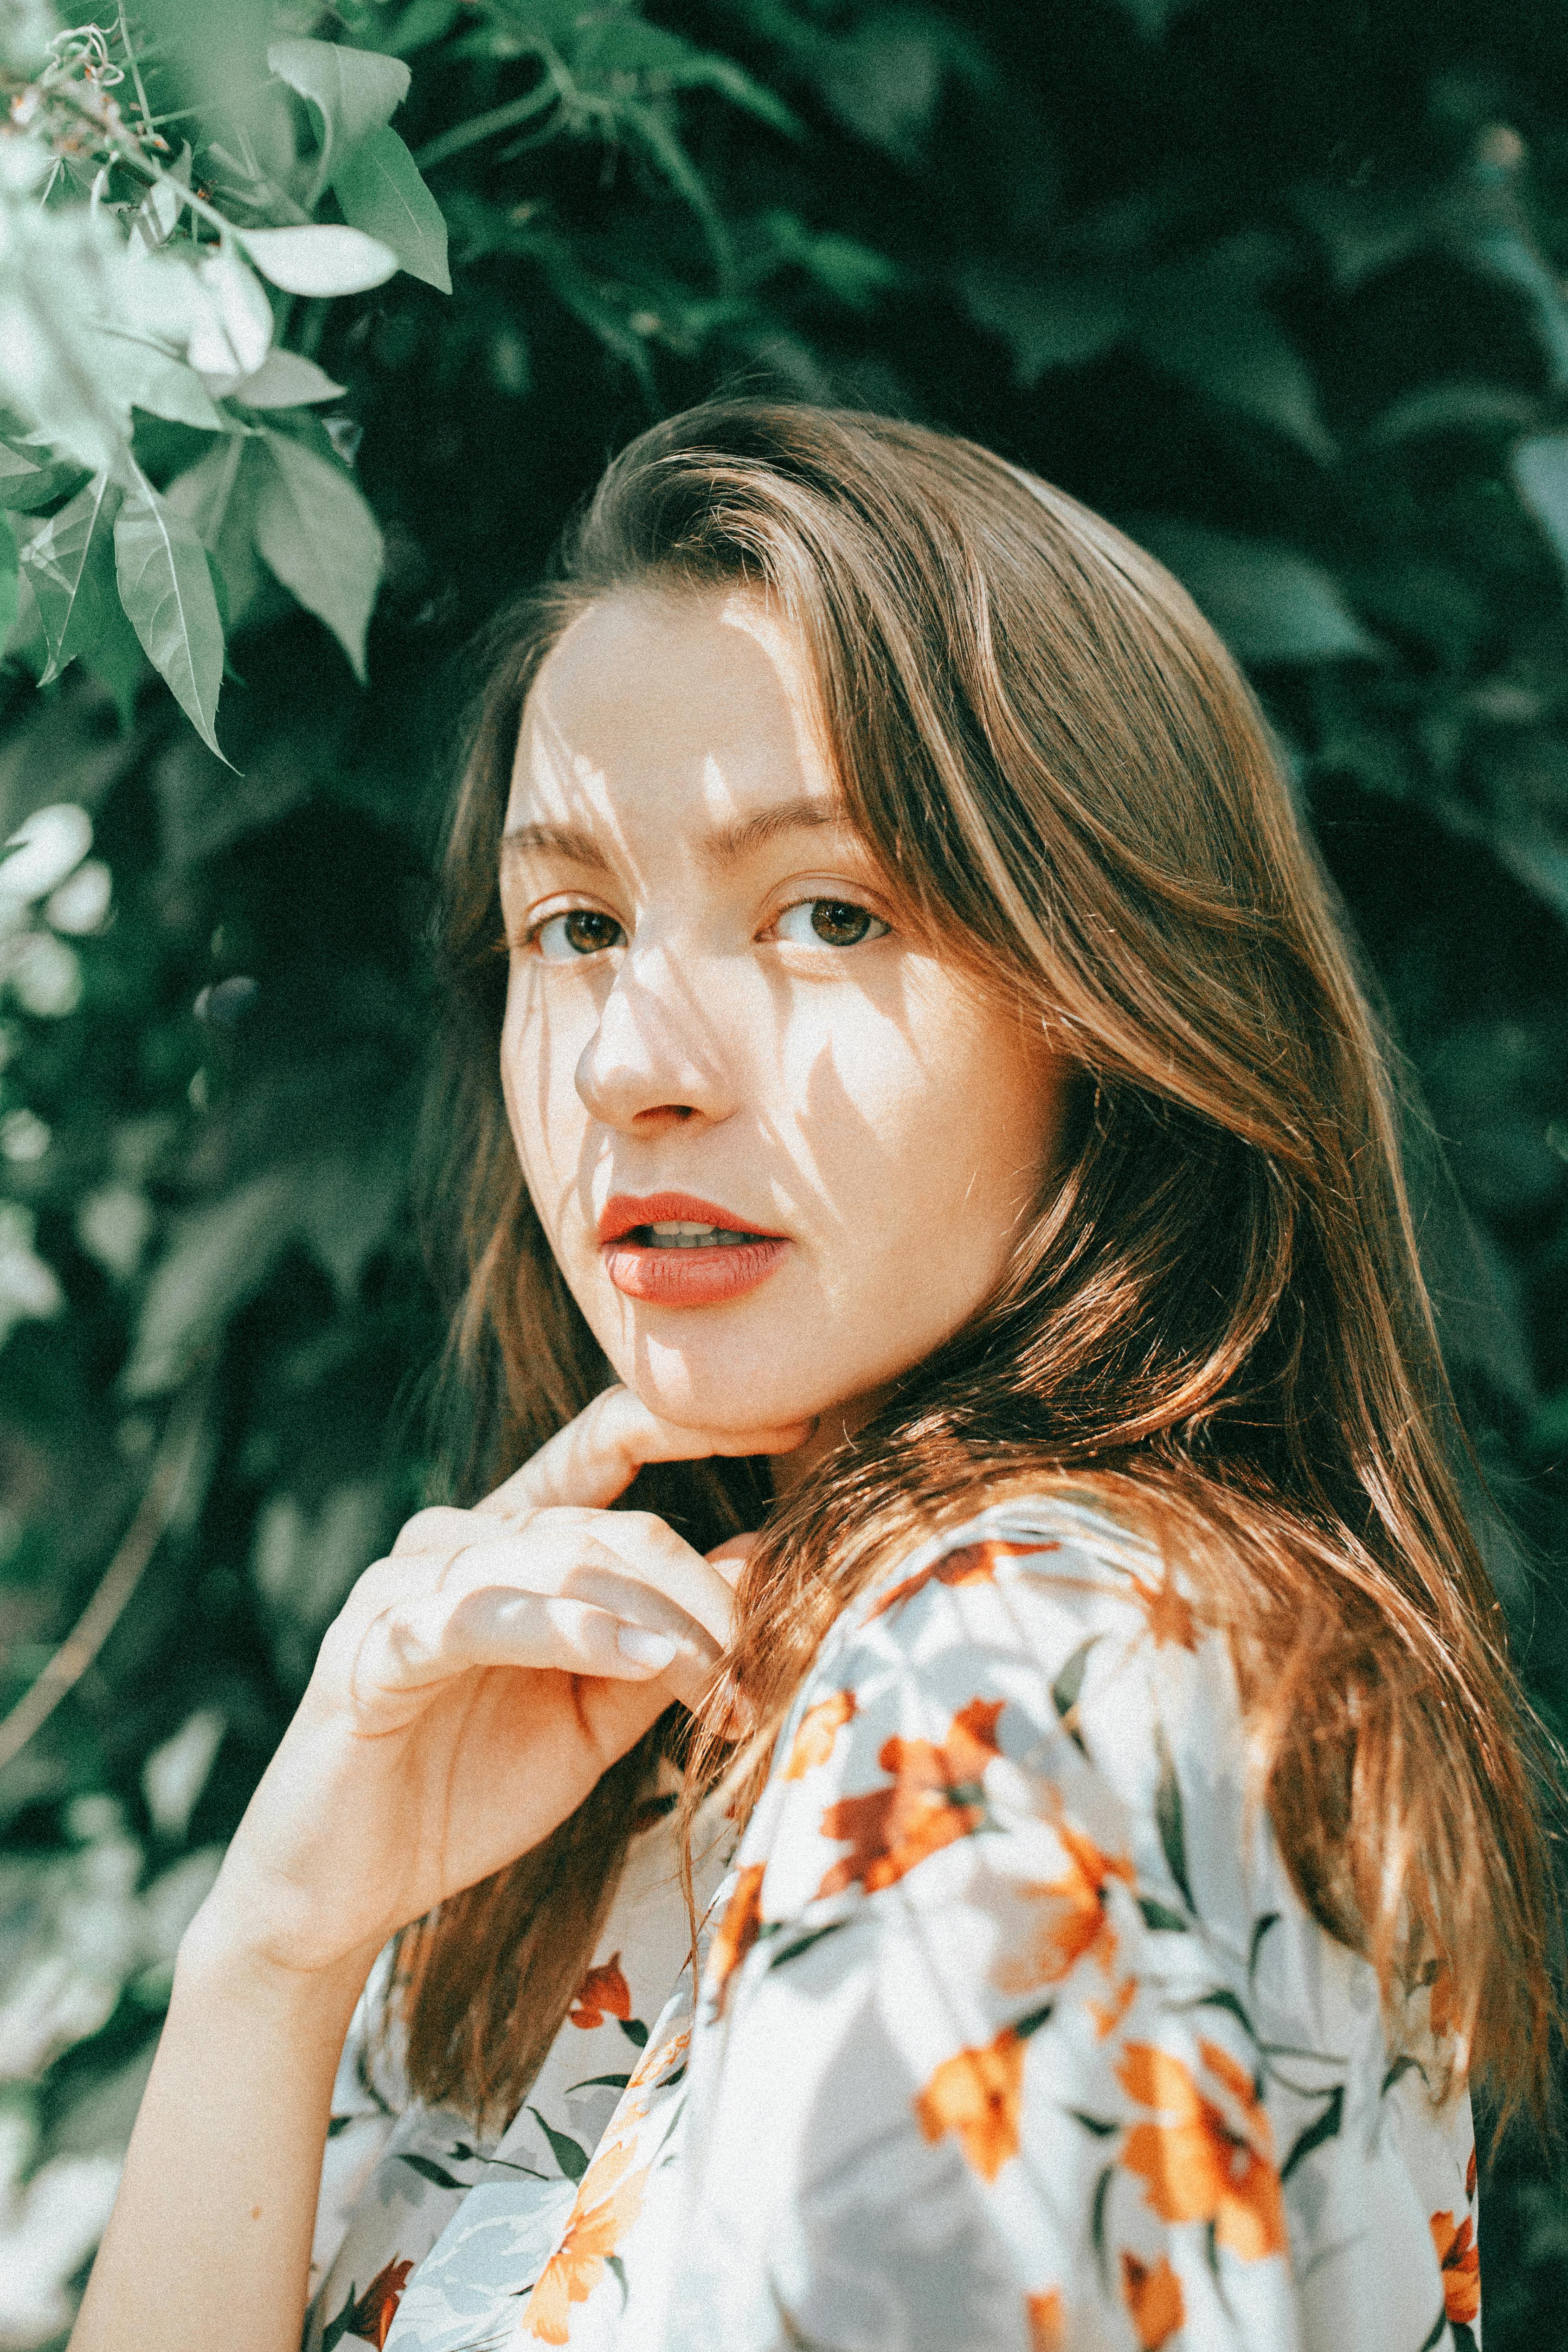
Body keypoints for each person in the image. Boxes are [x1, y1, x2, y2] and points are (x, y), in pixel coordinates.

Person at [69, 402, 1556, 2352]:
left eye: (826, 912)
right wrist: (271, 1950)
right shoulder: (627, 1737)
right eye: (576, 924)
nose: (630, 1062)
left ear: (1105, 999)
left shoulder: (1008, 1659)